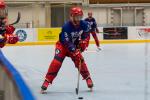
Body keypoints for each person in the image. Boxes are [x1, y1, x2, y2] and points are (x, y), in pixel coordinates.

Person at [41, 7, 94, 92]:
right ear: (71, 16)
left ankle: (88, 78)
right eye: (76, 17)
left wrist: (84, 42)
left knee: (80, 60)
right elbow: (67, 42)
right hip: (62, 46)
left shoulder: (84, 24)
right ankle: (47, 80)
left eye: (80, 17)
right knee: (56, 62)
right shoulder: (66, 27)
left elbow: (86, 34)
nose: (78, 19)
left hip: (74, 45)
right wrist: (74, 51)